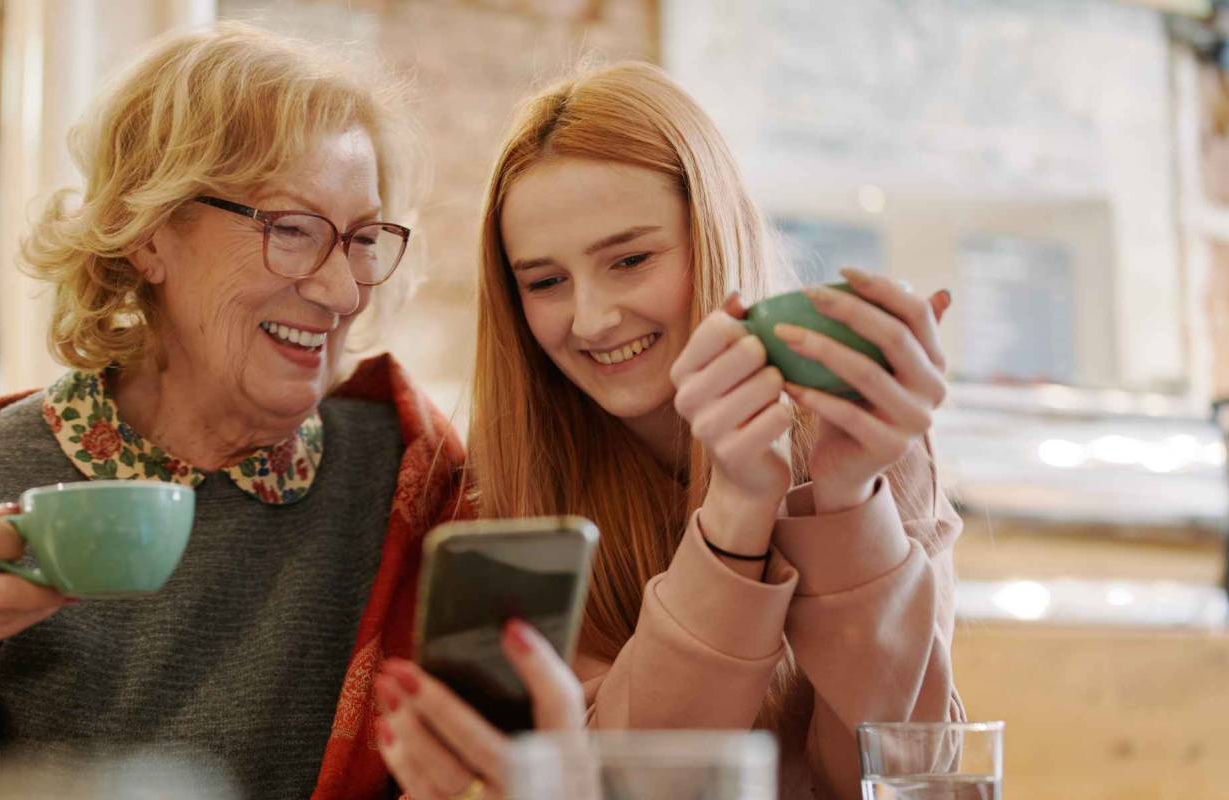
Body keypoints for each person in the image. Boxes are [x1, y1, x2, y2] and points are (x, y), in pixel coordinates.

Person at [0, 23, 579, 799]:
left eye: (361, 240)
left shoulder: (408, 475)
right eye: (292, 230)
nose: (340, 292)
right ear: (149, 235)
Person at [375, 63, 963, 800]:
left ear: (715, 233)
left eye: (630, 260)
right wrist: (734, 513)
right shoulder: (516, 481)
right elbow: (615, 788)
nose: (591, 319)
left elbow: (910, 777)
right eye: (546, 281)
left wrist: (846, 500)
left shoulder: (866, 440)